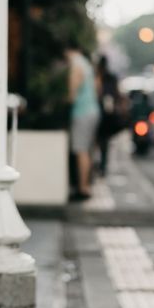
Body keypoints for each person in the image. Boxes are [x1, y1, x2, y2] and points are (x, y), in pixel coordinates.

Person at [66, 42, 100, 201]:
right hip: (92, 109)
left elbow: (72, 93)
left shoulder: (76, 65)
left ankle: (83, 188)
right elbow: (97, 87)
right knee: (86, 149)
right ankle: (86, 185)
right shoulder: (86, 64)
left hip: (82, 111)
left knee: (80, 150)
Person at [95, 54, 124, 176]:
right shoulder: (109, 78)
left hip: (101, 112)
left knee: (101, 140)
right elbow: (117, 94)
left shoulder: (99, 77)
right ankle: (102, 165)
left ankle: (101, 165)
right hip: (106, 113)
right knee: (104, 142)